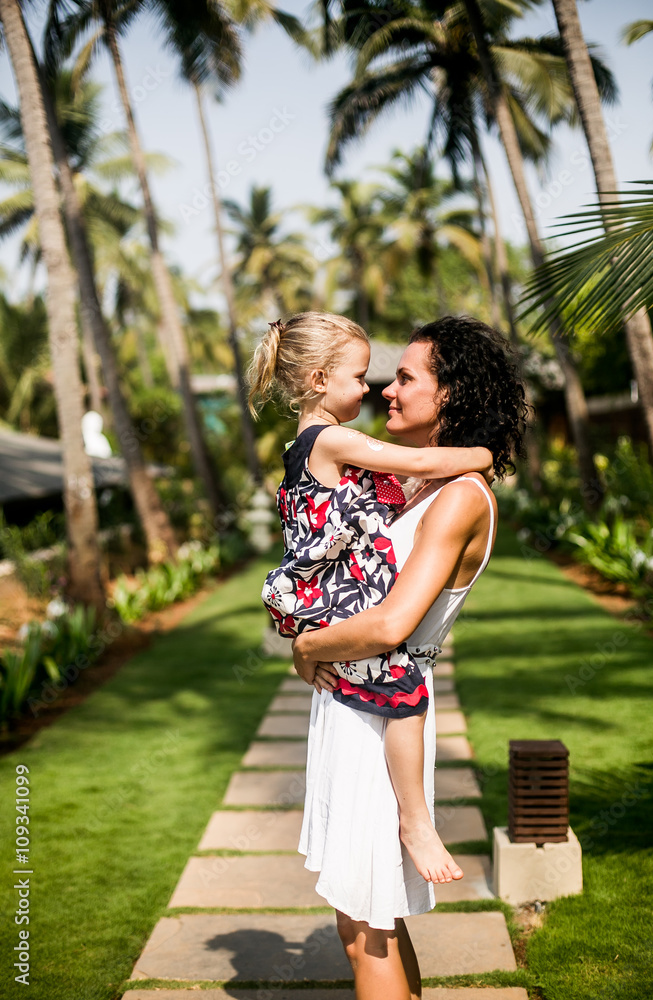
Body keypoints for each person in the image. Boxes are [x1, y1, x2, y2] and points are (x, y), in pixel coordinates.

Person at [292, 315, 528, 999]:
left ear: (448, 395)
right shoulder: (417, 486)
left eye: (403, 377)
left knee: (364, 932)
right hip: (354, 705)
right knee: (374, 923)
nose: (383, 391)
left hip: (378, 714)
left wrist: (305, 645)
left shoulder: (457, 496)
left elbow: (392, 622)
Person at [248, 311, 494, 884]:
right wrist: (482, 456)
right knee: (404, 690)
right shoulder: (334, 438)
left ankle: (412, 819)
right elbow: (418, 462)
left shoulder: (310, 442)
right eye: (359, 377)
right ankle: (416, 819)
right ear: (317, 381)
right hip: (338, 594)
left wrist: (307, 649)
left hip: (321, 590)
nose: (372, 387)